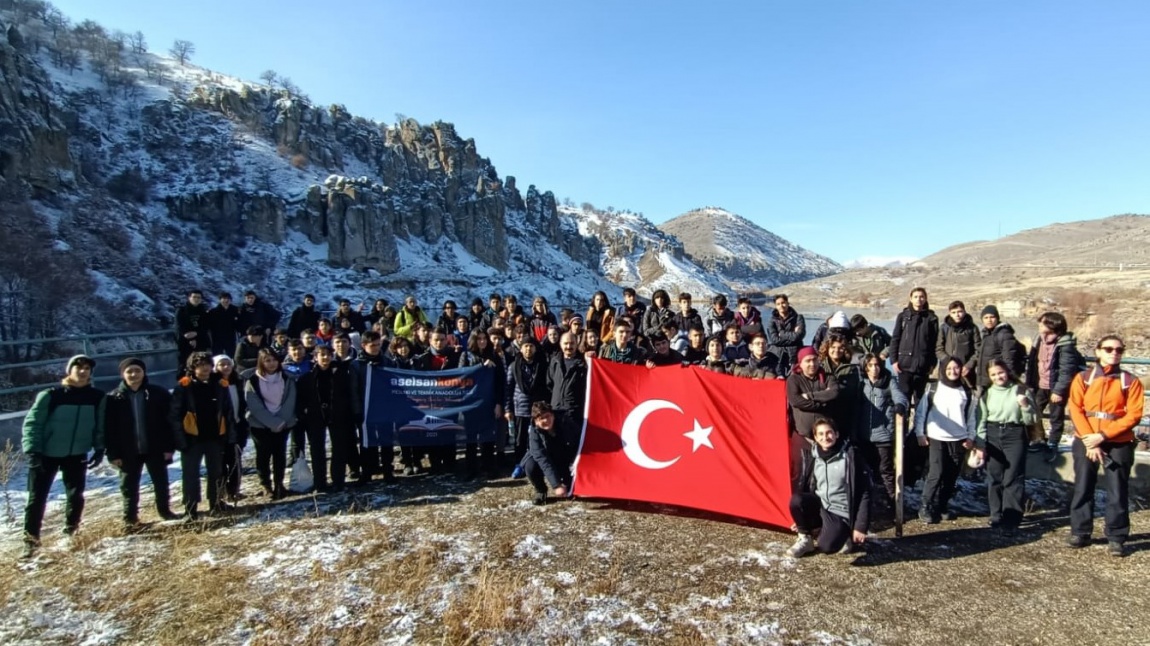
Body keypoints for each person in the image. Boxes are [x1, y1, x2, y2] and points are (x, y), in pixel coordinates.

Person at [21, 355, 106, 558]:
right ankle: (30, 541)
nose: (83, 371)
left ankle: (71, 531)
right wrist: (33, 450)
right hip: (46, 454)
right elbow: (33, 423)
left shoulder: (96, 397)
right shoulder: (51, 395)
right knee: (37, 498)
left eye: (87, 368)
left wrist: (99, 448)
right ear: (70, 370)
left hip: (76, 453)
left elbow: (99, 425)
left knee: (76, 495)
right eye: (79, 367)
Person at [1066, 335, 1144, 557]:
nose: (1114, 353)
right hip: (1086, 439)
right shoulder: (1083, 378)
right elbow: (1076, 408)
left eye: (1119, 350)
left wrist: (1103, 435)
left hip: (1117, 441)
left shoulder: (1130, 381)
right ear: (1098, 351)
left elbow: (1134, 414)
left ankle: (1117, 536)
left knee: (1117, 490)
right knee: (1083, 485)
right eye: (1108, 349)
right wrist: (1090, 439)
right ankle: (1080, 531)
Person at [105, 357, 179, 527]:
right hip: (127, 450)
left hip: (155, 447)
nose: (134, 374)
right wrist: (113, 453)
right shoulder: (113, 398)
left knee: (161, 482)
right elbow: (110, 429)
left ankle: (164, 510)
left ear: (144, 372)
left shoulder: (158, 393)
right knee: (129, 486)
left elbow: (169, 422)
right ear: (122, 374)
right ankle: (130, 517)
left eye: (137, 370)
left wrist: (169, 447)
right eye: (129, 371)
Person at [787, 418, 870, 557]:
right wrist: (802, 521)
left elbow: (865, 492)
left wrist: (860, 526)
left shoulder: (851, 457)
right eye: (820, 434)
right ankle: (805, 540)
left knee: (826, 546)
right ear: (815, 437)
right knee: (796, 500)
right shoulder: (814, 455)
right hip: (822, 505)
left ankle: (844, 535)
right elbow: (808, 487)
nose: (825, 437)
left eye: (829, 433)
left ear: (836, 434)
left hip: (841, 512)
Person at [974, 359, 1036, 533]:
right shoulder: (987, 393)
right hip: (993, 434)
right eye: (993, 374)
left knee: (1013, 477)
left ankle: (1012, 519)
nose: (998, 377)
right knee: (994, 476)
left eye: (1000, 372)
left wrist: (1024, 406)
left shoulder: (1020, 390)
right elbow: (981, 419)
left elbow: (1032, 419)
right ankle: (996, 514)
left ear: (1007, 371)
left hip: (1015, 434)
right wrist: (980, 443)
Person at [171, 352, 235, 520]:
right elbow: (175, 415)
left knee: (217, 472)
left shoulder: (220, 385)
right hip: (192, 438)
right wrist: (180, 440)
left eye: (207, 364)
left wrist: (229, 436)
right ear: (192, 367)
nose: (205, 368)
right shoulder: (183, 387)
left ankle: (216, 502)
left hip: (215, 437)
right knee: (190, 475)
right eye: (200, 365)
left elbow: (228, 412)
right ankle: (190, 508)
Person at [914, 356, 977, 524]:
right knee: (937, 472)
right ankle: (925, 506)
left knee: (951, 475)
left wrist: (971, 437)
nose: (952, 371)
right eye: (949, 368)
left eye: (956, 368)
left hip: (958, 438)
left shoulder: (967, 392)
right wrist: (920, 433)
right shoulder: (933, 388)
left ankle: (942, 506)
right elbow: (921, 412)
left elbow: (971, 417)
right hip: (936, 436)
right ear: (943, 370)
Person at [297, 344, 361, 491]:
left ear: (332, 356)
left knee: (339, 448)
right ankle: (320, 482)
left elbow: (348, 395)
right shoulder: (306, 378)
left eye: (328, 355)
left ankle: (338, 480)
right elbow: (301, 399)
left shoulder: (341, 375)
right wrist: (303, 414)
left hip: (338, 415)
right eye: (322, 355)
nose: (325, 358)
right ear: (315, 357)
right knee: (317, 450)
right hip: (315, 417)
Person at [1024, 311, 1085, 457]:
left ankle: (1053, 444)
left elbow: (1066, 371)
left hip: (1055, 387)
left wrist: (1058, 391)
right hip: (1040, 385)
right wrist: (1029, 383)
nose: (1040, 326)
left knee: (1055, 417)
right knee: (1033, 413)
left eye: (1043, 323)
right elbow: (1032, 363)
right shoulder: (1038, 340)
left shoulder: (1065, 345)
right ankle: (1038, 439)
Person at [245, 348, 298, 499]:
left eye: (274, 360)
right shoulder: (253, 380)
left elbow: (290, 401)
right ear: (261, 362)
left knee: (279, 454)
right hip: (260, 425)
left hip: (283, 423)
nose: (271, 363)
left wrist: (280, 422)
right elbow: (254, 404)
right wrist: (271, 422)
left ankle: (279, 483)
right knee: (263, 455)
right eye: (267, 360)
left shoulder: (287, 378)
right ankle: (265, 485)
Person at [786, 346, 840, 490]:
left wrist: (810, 396)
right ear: (800, 363)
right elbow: (795, 401)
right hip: (802, 437)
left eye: (815, 360)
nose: (812, 364)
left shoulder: (828, 378)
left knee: (822, 475)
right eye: (808, 361)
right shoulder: (793, 380)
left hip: (824, 438)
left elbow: (834, 394)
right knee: (800, 473)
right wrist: (822, 403)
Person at [857, 353, 906, 511]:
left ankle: (894, 504)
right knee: (865, 471)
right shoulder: (861, 383)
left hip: (883, 435)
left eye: (876, 365)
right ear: (865, 367)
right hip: (864, 435)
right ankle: (868, 503)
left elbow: (900, 396)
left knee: (885, 471)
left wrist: (900, 405)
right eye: (870, 365)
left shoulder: (888, 381)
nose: (874, 368)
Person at [413, 328, 462, 475]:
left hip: (449, 402)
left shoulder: (455, 357)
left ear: (446, 340)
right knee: (432, 432)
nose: (439, 343)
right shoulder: (422, 359)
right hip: (430, 403)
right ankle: (435, 463)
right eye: (436, 340)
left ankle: (450, 463)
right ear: (430, 341)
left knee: (449, 432)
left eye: (442, 339)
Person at [461, 328, 506, 478]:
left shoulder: (494, 356)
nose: (482, 341)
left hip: (489, 403)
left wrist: (499, 403)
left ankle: (489, 467)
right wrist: (481, 367)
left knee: (488, 438)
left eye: (484, 338)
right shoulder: (466, 356)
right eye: (479, 338)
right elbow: (462, 377)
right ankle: (471, 468)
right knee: (471, 439)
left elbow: (500, 382)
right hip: (471, 404)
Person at [354, 331, 395, 483]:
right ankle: (367, 471)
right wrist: (357, 410)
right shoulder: (357, 365)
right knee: (367, 442)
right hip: (366, 410)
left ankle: (387, 471)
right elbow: (354, 390)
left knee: (386, 440)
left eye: (378, 345)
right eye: (373, 345)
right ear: (364, 345)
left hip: (384, 409)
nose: (376, 348)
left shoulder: (387, 363)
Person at [889, 287, 940, 407]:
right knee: (903, 400)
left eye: (921, 297)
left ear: (925, 298)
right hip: (904, 365)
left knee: (920, 401)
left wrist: (933, 363)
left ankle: (918, 425)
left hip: (923, 365)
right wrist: (894, 360)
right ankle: (903, 425)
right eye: (916, 297)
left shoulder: (931, 318)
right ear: (911, 299)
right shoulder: (903, 317)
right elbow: (895, 339)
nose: (919, 299)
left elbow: (934, 343)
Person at [521, 402, 580, 505]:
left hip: (565, 458)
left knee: (572, 490)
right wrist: (556, 484)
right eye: (541, 418)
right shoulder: (534, 433)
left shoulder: (565, 422)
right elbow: (542, 458)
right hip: (547, 458)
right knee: (530, 466)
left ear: (552, 415)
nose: (545, 420)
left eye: (547, 416)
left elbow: (578, 442)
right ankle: (541, 491)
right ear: (535, 421)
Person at [506, 336, 548, 472]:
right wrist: (508, 408)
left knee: (538, 439)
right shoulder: (514, 366)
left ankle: (537, 464)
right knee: (520, 440)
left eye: (531, 346)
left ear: (535, 348)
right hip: (520, 408)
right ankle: (520, 464)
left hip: (537, 409)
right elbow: (508, 388)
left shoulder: (542, 365)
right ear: (521, 349)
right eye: (525, 346)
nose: (528, 349)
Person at [213, 355, 248, 504]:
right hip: (219, 429)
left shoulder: (238, 382)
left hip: (238, 425)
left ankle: (233, 491)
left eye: (228, 364)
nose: (226, 367)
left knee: (235, 460)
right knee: (219, 464)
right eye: (222, 364)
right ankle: (219, 493)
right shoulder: (213, 384)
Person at [976, 305, 1025, 389]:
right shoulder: (987, 334)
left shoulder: (1004, 334)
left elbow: (1009, 360)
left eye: (992, 317)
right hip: (987, 380)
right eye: (986, 317)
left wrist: (1008, 381)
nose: (989, 320)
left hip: (997, 380)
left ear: (997, 318)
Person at [935, 301, 981, 388]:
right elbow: (939, 349)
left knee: (965, 397)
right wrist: (949, 362)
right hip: (947, 371)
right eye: (954, 312)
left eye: (960, 312)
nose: (957, 315)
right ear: (950, 313)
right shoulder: (944, 328)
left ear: (964, 312)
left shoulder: (972, 328)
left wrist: (969, 365)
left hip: (965, 372)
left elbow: (978, 350)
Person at [767, 294, 805, 376]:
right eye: (778, 304)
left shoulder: (798, 318)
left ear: (788, 303)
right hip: (778, 357)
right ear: (776, 306)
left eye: (783, 302)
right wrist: (793, 336)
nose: (781, 306)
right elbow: (774, 340)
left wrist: (782, 334)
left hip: (795, 356)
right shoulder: (772, 321)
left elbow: (799, 336)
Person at [175, 290, 211, 372]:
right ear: (189, 298)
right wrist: (190, 338)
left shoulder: (203, 311)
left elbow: (205, 326)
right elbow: (179, 326)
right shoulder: (182, 311)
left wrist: (196, 334)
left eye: (199, 297)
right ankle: (183, 383)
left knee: (201, 364)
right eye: (194, 297)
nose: (196, 299)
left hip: (201, 342)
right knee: (184, 365)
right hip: (184, 343)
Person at [206, 292, 240, 357]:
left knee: (232, 356)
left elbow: (239, 323)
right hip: (217, 338)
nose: (226, 300)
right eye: (224, 298)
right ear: (220, 300)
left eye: (228, 299)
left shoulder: (235, 310)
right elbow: (208, 325)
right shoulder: (213, 312)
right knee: (217, 356)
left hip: (231, 337)